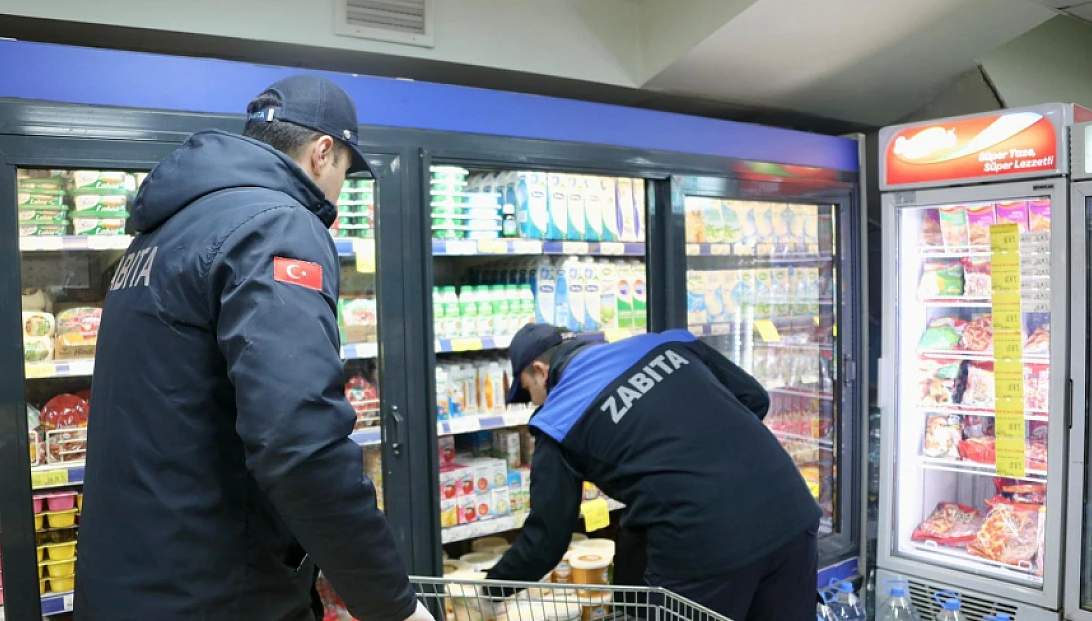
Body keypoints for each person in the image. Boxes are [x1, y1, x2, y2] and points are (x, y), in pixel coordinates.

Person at [76, 75, 433, 621]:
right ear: (322, 154)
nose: (338, 191)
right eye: (343, 171)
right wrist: (392, 605)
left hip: (130, 581)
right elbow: (299, 441)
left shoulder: (159, 233)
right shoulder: (278, 225)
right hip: (216, 593)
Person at [485, 324, 821, 621]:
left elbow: (547, 538)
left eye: (527, 390)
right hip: (792, 512)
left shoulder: (558, 418)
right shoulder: (665, 343)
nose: (533, 402)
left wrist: (491, 591)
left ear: (541, 371)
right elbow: (754, 397)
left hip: (703, 546)